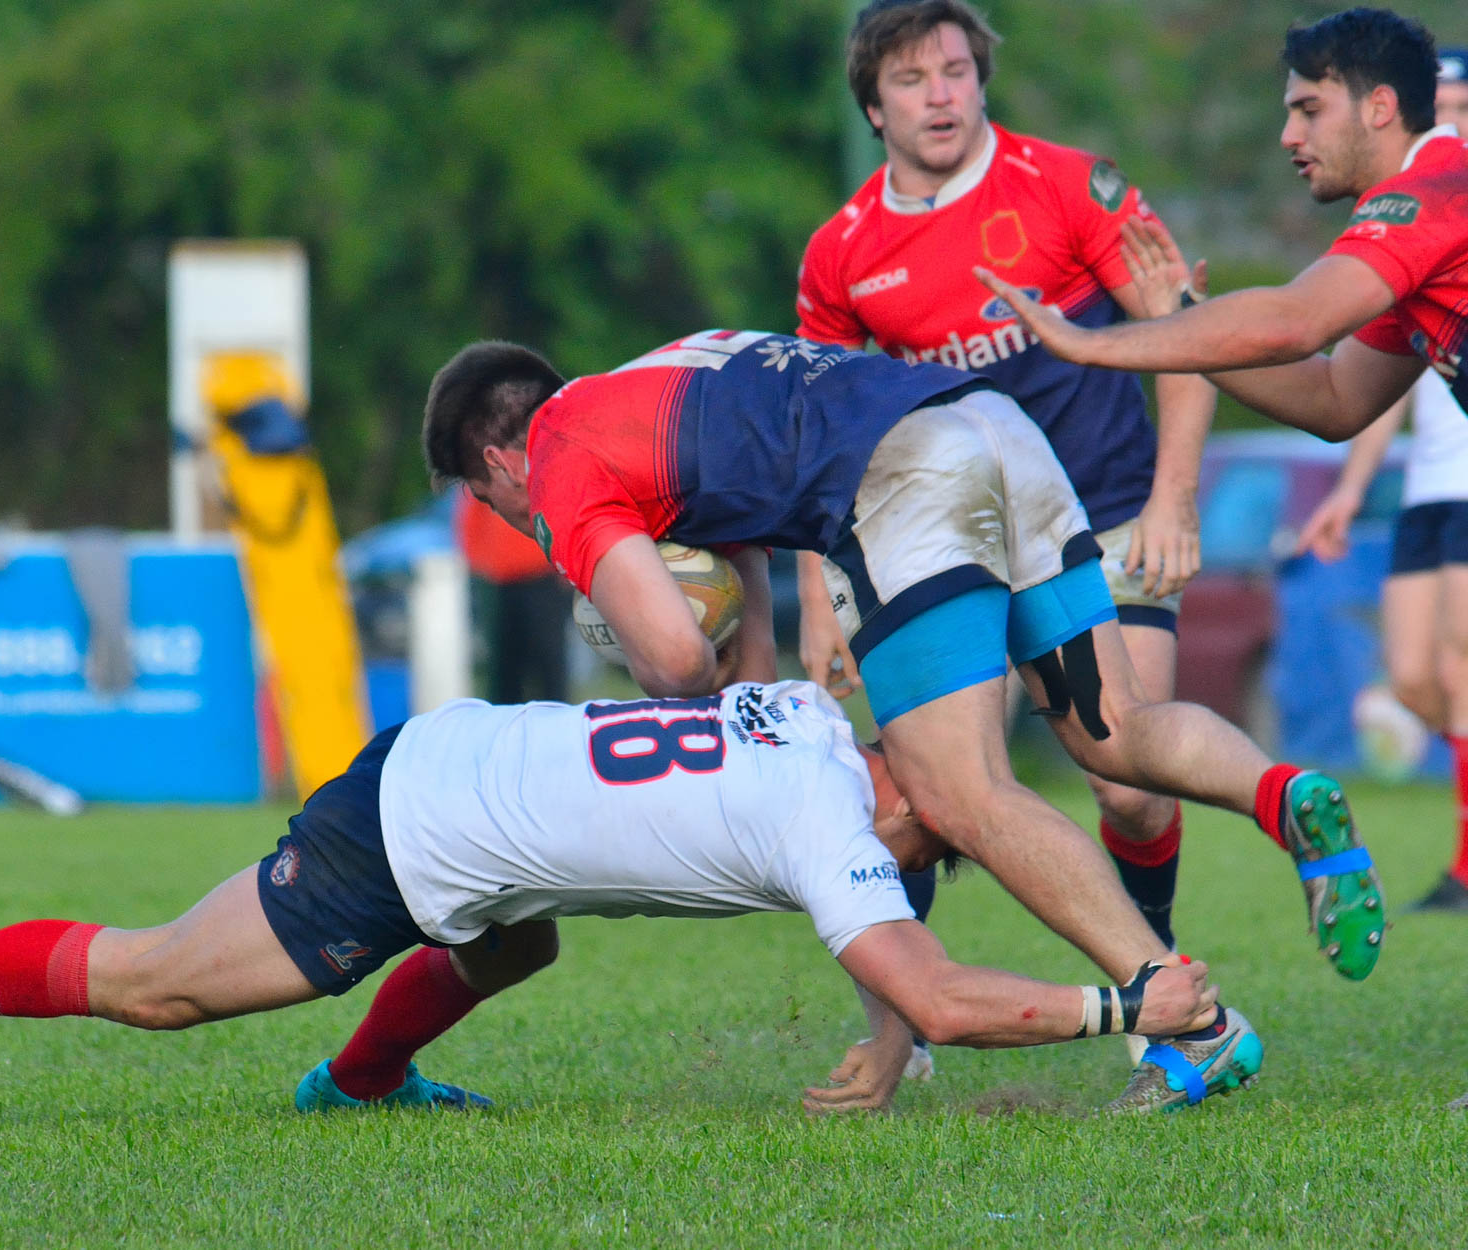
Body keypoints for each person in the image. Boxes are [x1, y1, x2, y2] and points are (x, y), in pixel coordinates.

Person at [419, 330, 1385, 1110]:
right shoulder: (651, 383)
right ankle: (1281, 789)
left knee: (964, 795)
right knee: (1113, 729)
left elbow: (673, 659)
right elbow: (745, 611)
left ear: (497, 462)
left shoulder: (555, 463)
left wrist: (641, 641)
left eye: (483, 497)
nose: (507, 512)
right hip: (996, 427)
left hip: (903, 479)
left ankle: (1192, 1025)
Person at [0, 680, 1238, 1120]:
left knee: (518, 934)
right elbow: (927, 974)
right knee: (157, 983)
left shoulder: (812, 723)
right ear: (917, 804)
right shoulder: (829, 824)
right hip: (414, 827)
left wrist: (887, 1030)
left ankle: (359, 1081)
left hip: (466, 762)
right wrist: (1127, 998)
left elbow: (888, 895)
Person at [795, 0, 1216, 966]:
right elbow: (821, 437)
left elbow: (1187, 336)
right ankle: (909, 1016)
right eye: (911, 80)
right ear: (873, 108)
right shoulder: (844, 252)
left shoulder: (1069, 186)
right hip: (951, 550)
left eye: (954, 71)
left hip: (1107, 514)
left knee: (1130, 782)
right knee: (919, 793)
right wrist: (822, 600)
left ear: (982, 78)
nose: (939, 96)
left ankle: (1155, 969)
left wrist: (1175, 497)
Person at [976, 8, 1468, 444]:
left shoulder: (1433, 193)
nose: (1289, 136)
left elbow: (1294, 321)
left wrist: (1086, 343)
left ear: (1379, 108)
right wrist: (1181, 314)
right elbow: (1336, 400)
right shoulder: (1417, 232)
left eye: (1310, 110)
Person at [1291, 44, 1468, 915]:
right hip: (1427, 485)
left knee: (1463, 665)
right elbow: (1366, 391)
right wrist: (1351, 491)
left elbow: (1300, 318)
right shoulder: (1414, 234)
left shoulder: (1448, 193)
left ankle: (1466, 870)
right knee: (1412, 677)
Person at [456, 490, 573, 703]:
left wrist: (567, 561)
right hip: (500, 580)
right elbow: (471, 518)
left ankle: (557, 721)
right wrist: (479, 562)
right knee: (504, 666)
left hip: (543, 575)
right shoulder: (487, 465)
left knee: (549, 662)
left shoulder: (541, 467)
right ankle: (506, 726)